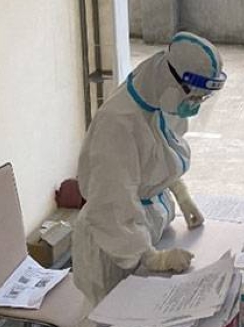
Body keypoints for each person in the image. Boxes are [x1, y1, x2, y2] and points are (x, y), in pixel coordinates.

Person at [72, 32, 227, 305]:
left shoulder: (159, 100)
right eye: (194, 97)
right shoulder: (118, 124)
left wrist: (181, 194)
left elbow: (159, 158)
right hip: (114, 247)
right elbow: (110, 207)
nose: (194, 106)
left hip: (147, 231)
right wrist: (153, 258)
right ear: (173, 81)